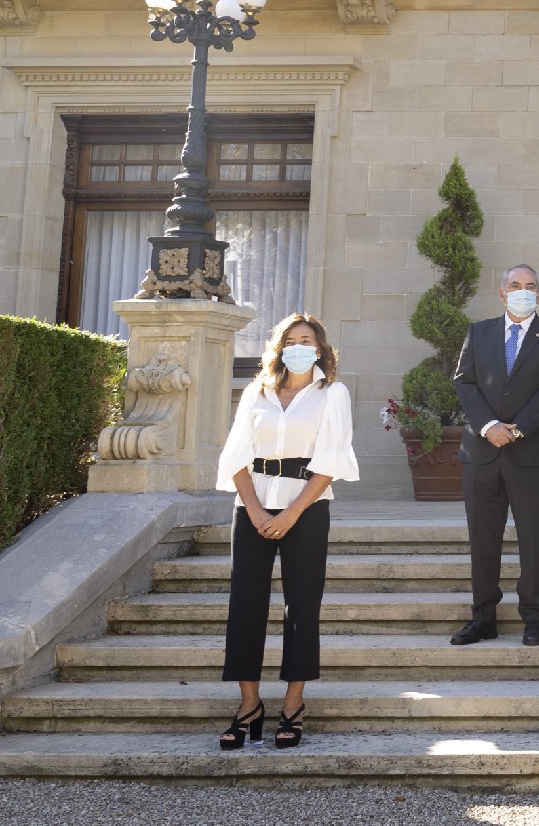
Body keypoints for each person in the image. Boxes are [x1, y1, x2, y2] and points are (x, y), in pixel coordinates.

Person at [214, 313, 359, 751]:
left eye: (306, 340)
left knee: (302, 606)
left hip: (307, 507)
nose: (299, 347)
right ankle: (249, 705)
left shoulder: (333, 393)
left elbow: (331, 460)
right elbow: (236, 455)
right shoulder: (256, 392)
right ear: (279, 348)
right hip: (252, 505)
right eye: (291, 340)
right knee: (245, 605)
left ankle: (294, 705)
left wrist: (291, 513)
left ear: (319, 349)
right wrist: (255, 511)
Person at [450, 264, 539, 647]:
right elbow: (465, 382)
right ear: (502, 293)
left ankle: (533, 617)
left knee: (532, 540)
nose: (524, 291)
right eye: (516, 285)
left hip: (531, 452)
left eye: (531, 286)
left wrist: (516, 429)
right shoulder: (478, 332)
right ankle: (483, 619)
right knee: (482, 540)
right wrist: (489, 427)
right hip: (481, 452)